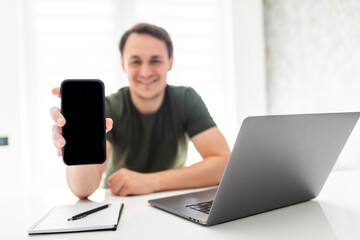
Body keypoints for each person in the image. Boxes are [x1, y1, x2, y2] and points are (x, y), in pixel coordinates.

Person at [50, 23, 231, 199]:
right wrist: (75, 141)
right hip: (120, 203)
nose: (145, 72)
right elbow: (83, 190)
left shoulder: (186, 99)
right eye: (136, 61)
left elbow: (224, 164)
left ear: (170, 62)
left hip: (169, 200)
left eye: (155, 60)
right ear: (123, 64)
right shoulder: (110, 107)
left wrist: (152, 182)